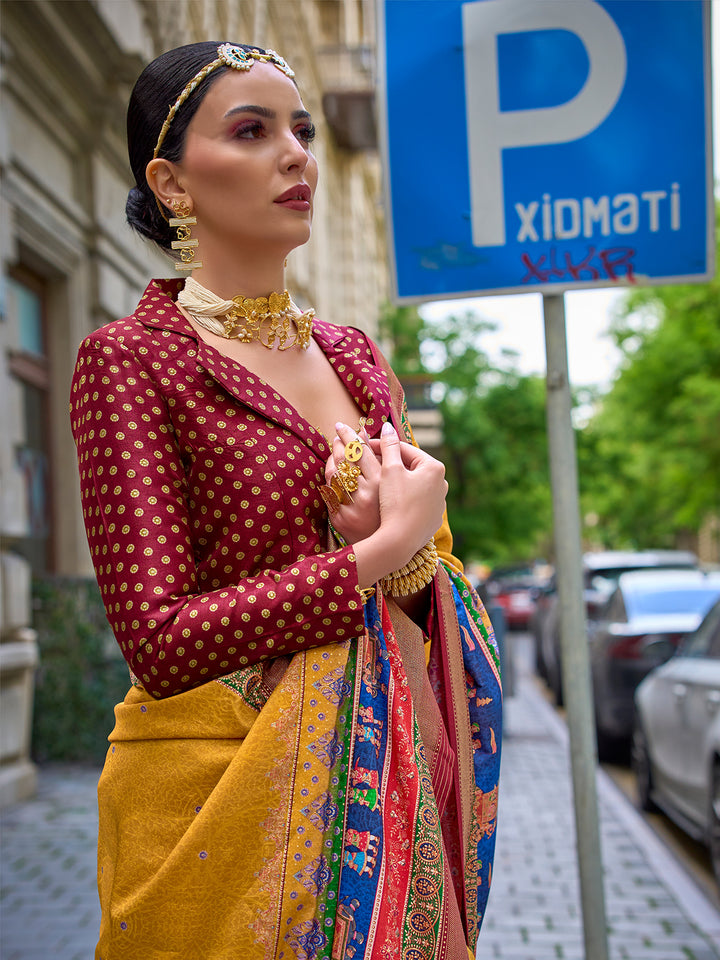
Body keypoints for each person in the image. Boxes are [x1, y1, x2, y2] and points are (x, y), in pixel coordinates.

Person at [69, 41, 501, 960]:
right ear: (173, 182)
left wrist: (421, 564)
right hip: (213, 813)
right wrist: (376, 554)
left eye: (299, 130)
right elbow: (159, 637)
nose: (297, 154)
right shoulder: (133, 360)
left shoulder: (356, 358)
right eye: (252, 131)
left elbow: (433, 588)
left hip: (384, 803)